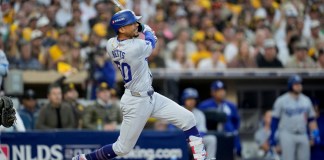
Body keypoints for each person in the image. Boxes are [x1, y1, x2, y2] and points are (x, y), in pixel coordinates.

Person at [73, 9, 207, 160]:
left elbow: (134, 35)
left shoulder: (111, 44)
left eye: (136, 22)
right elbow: (153, 41)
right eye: (132, 23)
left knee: (188, 118)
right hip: (136, 102)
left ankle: (201, 158)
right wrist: (146, 28)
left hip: (151, 96)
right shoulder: (135, 47)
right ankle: (85, 159)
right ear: (122, 29)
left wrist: (137, 27)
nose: (136, 24)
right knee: (122, 149)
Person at [269, 75, 320, 160]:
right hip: (287, 133)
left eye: (300, 84)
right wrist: (272, 136)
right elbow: (275, 120)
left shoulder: (306, 100)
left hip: (302, 133)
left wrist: (315, 134)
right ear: (291, 86)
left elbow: (311, 119)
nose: (299, 86)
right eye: (296, 84)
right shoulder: (281, 100)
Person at [198, 80, 242, 157]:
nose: (221, 92)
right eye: (218, 90)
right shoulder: (204, 105)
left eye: (223, 90)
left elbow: (236, 123)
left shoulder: (231, 106)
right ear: (212, 92)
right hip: (212, 136)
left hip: (227, 138)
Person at [182, 88, 217, 159]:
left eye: (193, 99)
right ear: (184, 99)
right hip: (181, 140)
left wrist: (193, 139)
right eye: (189, 98)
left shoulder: (199, 114)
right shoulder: (177, 110)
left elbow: (203, 132)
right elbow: (171, 127)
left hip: (194, 141)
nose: (191, 101)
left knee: (211, 139)